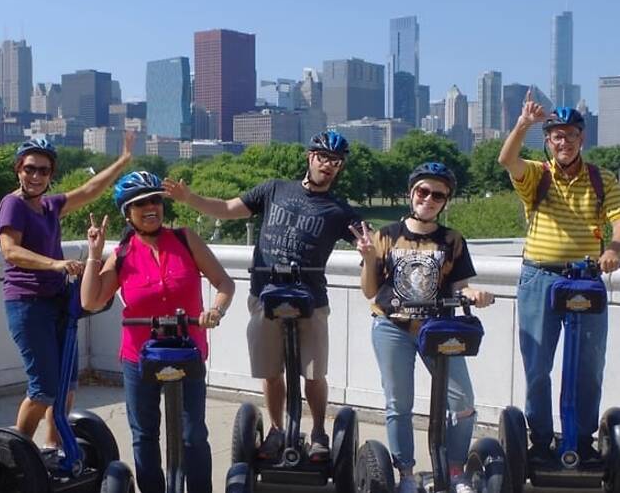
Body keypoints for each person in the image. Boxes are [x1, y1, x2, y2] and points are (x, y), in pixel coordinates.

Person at [163, 130, 360, 461]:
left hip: (312, 301)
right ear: (310, 157)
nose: (328, 166)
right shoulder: (273, 189)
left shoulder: (340, 210)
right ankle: (276, 429)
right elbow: (227, 208)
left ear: (340, 168)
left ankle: (318, 433)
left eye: (336, 162)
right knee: (271, 371)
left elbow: (372, 245)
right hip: (265, 295)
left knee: (314, 373)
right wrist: (190, 198)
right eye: (323, 158)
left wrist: (374, 249)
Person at [80, 171, 234, 493]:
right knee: (145, 434)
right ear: (128, 212)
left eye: (155, 200)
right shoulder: (122, 254)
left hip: (187, 350)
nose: (151, 207)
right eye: (141, 203)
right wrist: (95, 254)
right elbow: (91, 301)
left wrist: (214, 311)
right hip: (140, 357)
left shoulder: (185, 239)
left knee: (193, 434)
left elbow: (224, 283)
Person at [353, 162, 493, 493]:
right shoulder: (386, 234)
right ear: (411, 192)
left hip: (439, 329)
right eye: (422, 191)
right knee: (398, 404)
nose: (428, 199)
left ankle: (455, 471)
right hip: (392, 327)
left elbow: (461, 287)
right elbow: (370, 291)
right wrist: (370, 257)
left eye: (437, 195)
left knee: (462, 402)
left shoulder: (453, 240)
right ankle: (406, 475)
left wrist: (474, 294)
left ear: (446, 201)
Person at [498, 94, 620, 466]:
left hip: (585, 279)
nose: (562, 142)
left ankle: (581, 439)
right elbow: (507, 160)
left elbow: (619, 216)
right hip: (540, 278)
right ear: (548, 142)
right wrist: (524, 124)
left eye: (568, 135)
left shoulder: (603, 178)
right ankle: (539, 440)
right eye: (555, 136)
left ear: (581, 138)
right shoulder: (538, 174)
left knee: (588, 365)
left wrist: (614, 248)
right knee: (538, 366)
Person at [0, 130, 135, 448]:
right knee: (43, 386)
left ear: (51, 175)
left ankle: (53, 448)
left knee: (66, 384)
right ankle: (17, 452)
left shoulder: (49, 206)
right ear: (18, 169)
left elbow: (89, 190)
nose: (35, 175)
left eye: (43, 170)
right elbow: (10, 251)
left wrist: (122, 161)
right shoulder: (12, 205)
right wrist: (56, 264)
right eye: (29, 168)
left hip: (58, 302)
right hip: (27, 304)